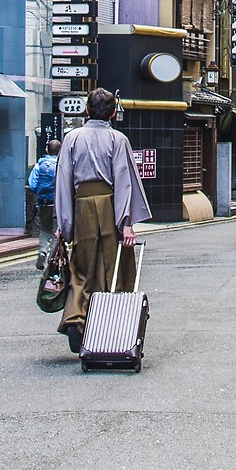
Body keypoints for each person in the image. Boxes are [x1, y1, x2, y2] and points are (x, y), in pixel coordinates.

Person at [54, 89, 152, 354]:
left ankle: (77, 319)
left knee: (81, 267)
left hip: (81, 206)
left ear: (87, 110)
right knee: (116, 265)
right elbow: (124, 181)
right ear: (112, 112)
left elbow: (63, 182)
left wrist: (64, 226)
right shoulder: (117, 139)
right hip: (109, 205)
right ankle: (111, 325)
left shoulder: (71, 138)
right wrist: (127, 222)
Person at [26, 137, 60, 264]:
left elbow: (33, 184)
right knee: (57, 231)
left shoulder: (39, 165)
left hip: (43, 203)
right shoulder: (61, 165)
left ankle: (42, 252)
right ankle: (52, 258)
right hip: (57, 205)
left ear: (47, 150)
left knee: (45, 229)